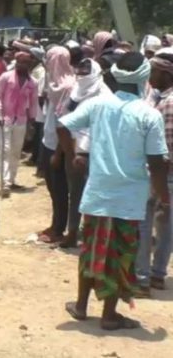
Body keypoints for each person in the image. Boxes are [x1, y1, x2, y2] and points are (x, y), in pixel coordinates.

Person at [59, 52, 169, 331]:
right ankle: (109, 314)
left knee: (91, 250)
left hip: (97, 193)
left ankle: (81, 305)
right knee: (120, 254)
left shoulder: (97, 104)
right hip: (129, 199)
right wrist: (164, 198)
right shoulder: (149, 115)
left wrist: (73, 156)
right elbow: (157, 162)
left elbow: (63, 124)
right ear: (143, 77)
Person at [56, 58, 112, 250]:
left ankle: (92, 236)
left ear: (95, 72)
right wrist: (65, 153)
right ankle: (72, 232)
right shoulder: (75, 91)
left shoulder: (105, 95)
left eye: (86, 72)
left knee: (95, 196)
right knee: (75, 194)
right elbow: (63, 120)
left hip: (95, 153)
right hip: (72, 148)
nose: (82, 75)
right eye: (80, 72)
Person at [137, 49, 173, 297]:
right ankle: (158, 274)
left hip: (160, 173)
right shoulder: (160, 97)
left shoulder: (169, 103)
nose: (150, 76)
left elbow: (167, 145)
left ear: (165, 73)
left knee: (145, 222)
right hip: (163, 172)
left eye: (153, 71)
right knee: (166, 225)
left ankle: (144, 277)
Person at [38, 46, 74, 244]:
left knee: (59, 189)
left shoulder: (68, 86)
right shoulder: (54, 84)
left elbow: (66, 123)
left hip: (58, 145)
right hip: (48, 139)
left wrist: (59, 153)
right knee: (52, 188)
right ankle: (55, 224)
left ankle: (59, 228)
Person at [0, 51, 38, 194]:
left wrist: (32, 121)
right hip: (5, 118)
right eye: (20, 62)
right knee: (4, 149)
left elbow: (33, 103)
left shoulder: (33, 83)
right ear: (16, 62)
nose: (22, 65)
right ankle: (4, 181)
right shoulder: (6, 77)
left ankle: (11, 180)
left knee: (16, 150)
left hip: (21, 120)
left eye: (26, 62)